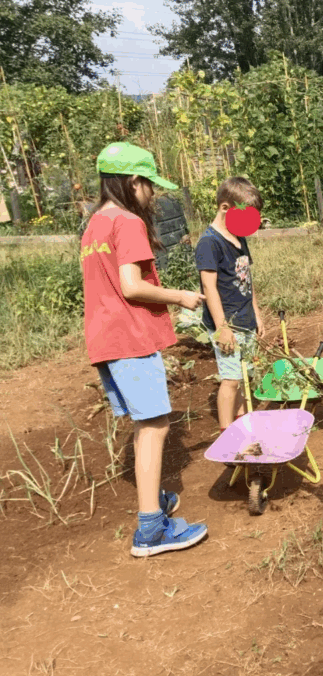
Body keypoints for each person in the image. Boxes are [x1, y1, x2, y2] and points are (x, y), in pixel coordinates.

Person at [80, 142, 208, 557]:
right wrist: (181, 296)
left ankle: (154, 503)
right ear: (133, 181)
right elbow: (131, 286)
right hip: (130, 337)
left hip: (105, 337)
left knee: (145, 422)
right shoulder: (128, 223)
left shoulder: (95, 223)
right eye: (149, 185)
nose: (152, 194)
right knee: (155, 426)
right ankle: (151, 529)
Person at [194, 177, 267, 433]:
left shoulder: (238, 237)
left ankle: (242, 419)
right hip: (228, 323)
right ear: (225, 208)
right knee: (231, 379)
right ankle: (227, 432)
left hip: (246, 318)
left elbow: (247, 278)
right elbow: (209, 288)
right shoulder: (209, 243)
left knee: (246, 374)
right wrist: (222, 327)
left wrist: (257, 313)